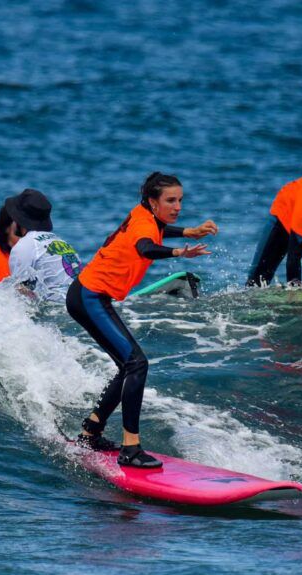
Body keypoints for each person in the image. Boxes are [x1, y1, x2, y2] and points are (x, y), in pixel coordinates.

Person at [66, 172, 218, 468]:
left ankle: (90, 433)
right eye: (170, 201)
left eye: (180, 200)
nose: (177, 207)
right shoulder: (144, 224)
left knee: (128, 365)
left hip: (90, 295)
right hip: (89, 297)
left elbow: (158, 229)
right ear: (153, 201)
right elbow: (145, 247)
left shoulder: (144, 213)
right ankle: (130, 448)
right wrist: (179, 252)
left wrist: (189, 232)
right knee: (136, 364)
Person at [6, 191, 83, 303]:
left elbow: (20, 295)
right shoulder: (61, 242)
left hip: (59, 308)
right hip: (79, 303)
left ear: (19, 219)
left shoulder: (23, 246)